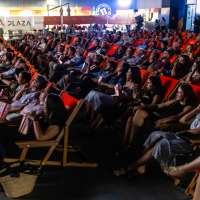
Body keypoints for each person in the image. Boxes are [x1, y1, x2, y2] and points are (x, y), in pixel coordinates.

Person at [116, 84, 195, 154]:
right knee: (131, 118)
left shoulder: (188, 107)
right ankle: (125, 143)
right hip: (157, 118)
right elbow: (158, 106)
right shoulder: (174, 101)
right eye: (177, 92)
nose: (176, 94)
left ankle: (130, 143)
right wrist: (143, 106)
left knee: (137, 114)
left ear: (186, 96)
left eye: (179, 92)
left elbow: (178, 116)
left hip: (163, 124)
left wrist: (164, 120)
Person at [0, 94, 66, 167]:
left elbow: (40, 138)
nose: (43, 104)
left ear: (50, 106)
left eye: (45, 102)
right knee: (1, 126)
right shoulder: (46, 118)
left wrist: (34, 120)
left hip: (28, 148)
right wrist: (8, 123)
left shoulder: (55, 126)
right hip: (25, 140)